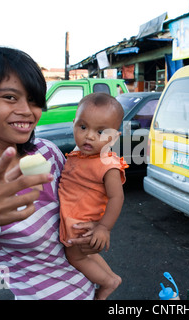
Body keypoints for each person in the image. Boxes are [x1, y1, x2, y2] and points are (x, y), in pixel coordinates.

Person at [0, 47, 99, 300]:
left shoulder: (48, 151)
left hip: (91, 287)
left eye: (33, 99)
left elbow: (74, 210)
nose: (28, 110)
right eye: (11, 98)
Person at [58, 92, 128, 300]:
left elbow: (117, 198)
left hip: (82, 222)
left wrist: (104, 227)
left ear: (114, 137)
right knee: (85, 253)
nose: (89, 136)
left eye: (100, 132)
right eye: (83, 127)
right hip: (73, 215)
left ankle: (107, 283)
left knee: (75, 255)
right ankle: (112, 278)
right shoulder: (78, 152)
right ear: (73, 124)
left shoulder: (108, 164)